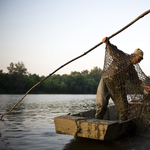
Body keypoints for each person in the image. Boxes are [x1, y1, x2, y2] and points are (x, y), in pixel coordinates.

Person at [95, 37, 150, 122]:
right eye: (139, 59)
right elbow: (113, 50)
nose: (139, 62)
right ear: (134, 56)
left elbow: (136, 81)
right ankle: (96, 124)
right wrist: (107, 42)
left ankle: (122, 127)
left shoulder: (132, 69)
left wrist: (146, 86)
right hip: (106, 82)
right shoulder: (121, 56)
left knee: (124, 109)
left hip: (118, 87)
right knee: (101, 106)